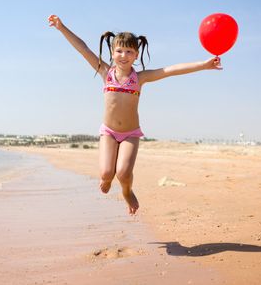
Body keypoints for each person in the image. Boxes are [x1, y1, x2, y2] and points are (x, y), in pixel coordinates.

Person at [48, 15, 222, 215]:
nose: (123, 55)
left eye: (129, 51)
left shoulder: (139, 78)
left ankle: (127, 191)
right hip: (109, 132)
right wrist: (62, 28)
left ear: (136, 55)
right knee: (106, 173)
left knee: (123, 173)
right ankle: (106, 179)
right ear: (112, 53)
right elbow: (83, 48)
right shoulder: (105, 72)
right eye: (119, 50)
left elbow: (170, 70)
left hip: (130, 133)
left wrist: (204, 64)